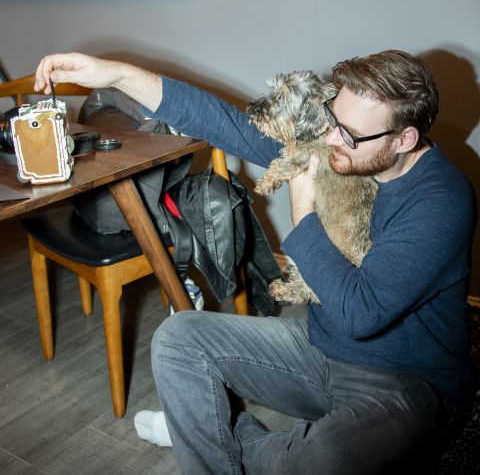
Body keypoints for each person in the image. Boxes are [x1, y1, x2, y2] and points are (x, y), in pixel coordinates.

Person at [35, 50, 476, 475]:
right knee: (178, 337)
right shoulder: (339, 147)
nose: (328, 139)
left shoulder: (442, 202)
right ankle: (210, 436)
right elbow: (226, 124)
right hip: (319, 350)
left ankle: (211, 433)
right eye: (331, 120)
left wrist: (302, 214)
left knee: (312, 462)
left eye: (349, 135)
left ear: (404, 139)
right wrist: (115, 75)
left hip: (405, 384)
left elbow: (361, 313)